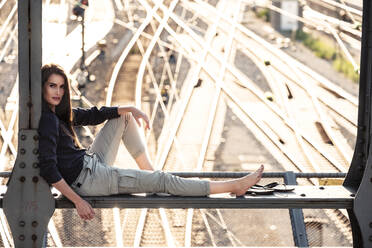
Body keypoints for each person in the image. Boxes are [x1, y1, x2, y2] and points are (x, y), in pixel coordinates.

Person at [38, 64, 264, 221]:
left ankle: (150, 175)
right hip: (89, 180)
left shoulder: (58, 112)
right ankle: (233, 186)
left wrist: (130, 108)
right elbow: (48, 168)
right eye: (52, 86)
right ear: (41, 87)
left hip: (90, 163)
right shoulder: (48, 120)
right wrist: (78, 201)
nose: (58, 92)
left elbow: (92, 114)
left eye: (61, 86)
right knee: (164, 180)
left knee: (123, 116)